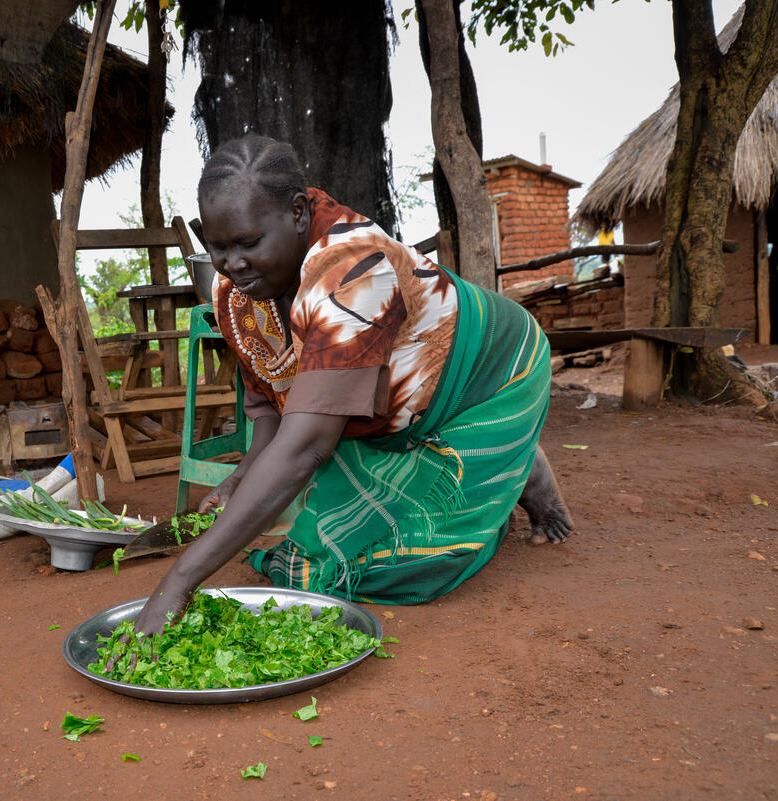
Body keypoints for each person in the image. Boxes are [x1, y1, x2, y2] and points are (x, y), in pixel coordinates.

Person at [132, 134, 573, 636]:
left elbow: (305, 448)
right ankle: (494, 466)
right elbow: (274, 409)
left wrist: (179, 583)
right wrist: (237, 480)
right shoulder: (239, 293)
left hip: (491, 372)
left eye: (249, 244)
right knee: (305, 562)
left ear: (298, 212)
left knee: (411, 568)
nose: (232, 263)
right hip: (389, 404)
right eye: (218, 247)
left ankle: (513, 466)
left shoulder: (351, 269)